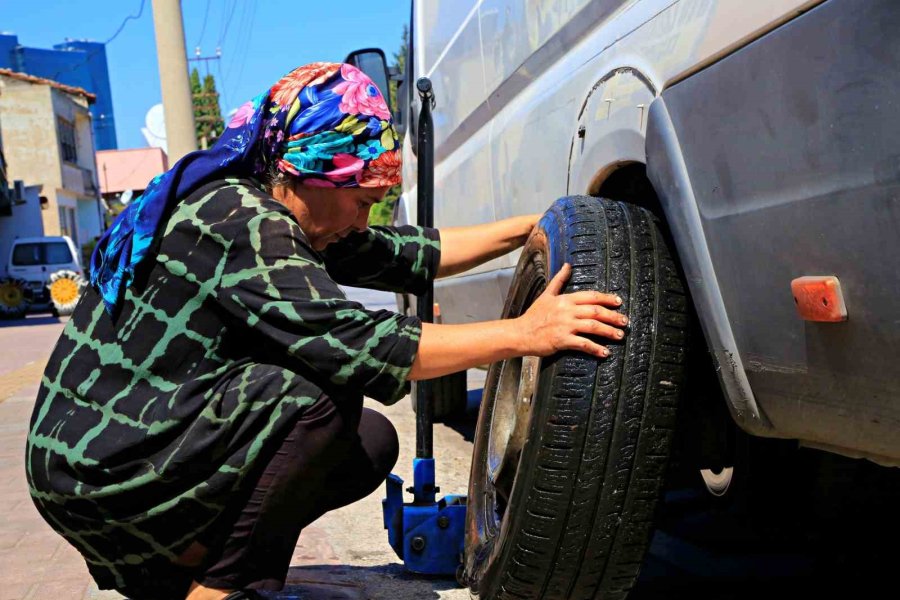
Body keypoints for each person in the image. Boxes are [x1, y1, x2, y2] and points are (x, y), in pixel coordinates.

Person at [25, 63, 628, 600]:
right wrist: (525, 333)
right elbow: (366, 346)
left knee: (367, 445)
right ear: (313, 175)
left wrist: (539, 225)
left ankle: (177, 568)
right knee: (318, 395)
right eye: (363, 201)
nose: (365, 219)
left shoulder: (270, 204)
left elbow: (409, 253)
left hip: (117, 453)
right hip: (100, 470)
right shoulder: (242, 223)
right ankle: (220, 587)